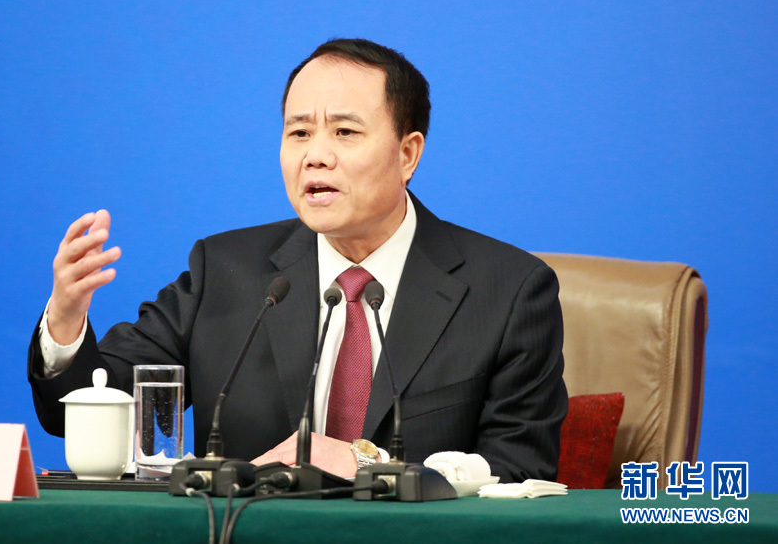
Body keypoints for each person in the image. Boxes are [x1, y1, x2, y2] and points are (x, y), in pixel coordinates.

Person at [28, 38, 567, 482]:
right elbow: (83, 408)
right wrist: (67, 322)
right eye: (299, 132)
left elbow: (521, 469)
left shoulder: (508, 291)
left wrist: (369, 465)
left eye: (345, 132)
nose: (316, 155)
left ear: (408, 154)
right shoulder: (227, 269)